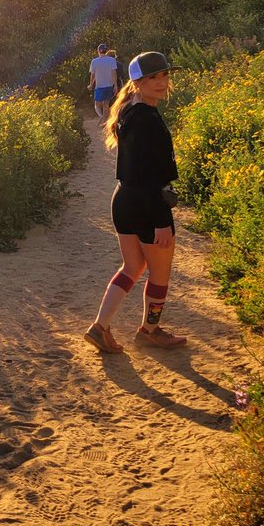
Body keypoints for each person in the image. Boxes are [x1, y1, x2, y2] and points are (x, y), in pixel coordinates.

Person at [84, 50, 187, 353]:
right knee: (159, 273)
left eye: (164, 75)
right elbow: (149, 176)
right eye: (152, 77)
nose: (161, 82)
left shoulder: (130, 110)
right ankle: (150, 330)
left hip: (124, 200)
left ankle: (100, 327)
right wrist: (160, 221)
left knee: (132, 266)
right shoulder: (146, 120)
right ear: (136, 82)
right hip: (147, 203)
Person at [88, 42, 119, 124]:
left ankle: (101, 117)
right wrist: (115, 85)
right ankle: (106, 121)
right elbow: (114, 73)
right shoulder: (112, 60)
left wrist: (91, 84)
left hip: (99, 86)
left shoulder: (94, 61)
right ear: (106, 51)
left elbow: (92, 75)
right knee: (106, 104)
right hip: (109, 85)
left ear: (98, 51)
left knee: (97, 105)